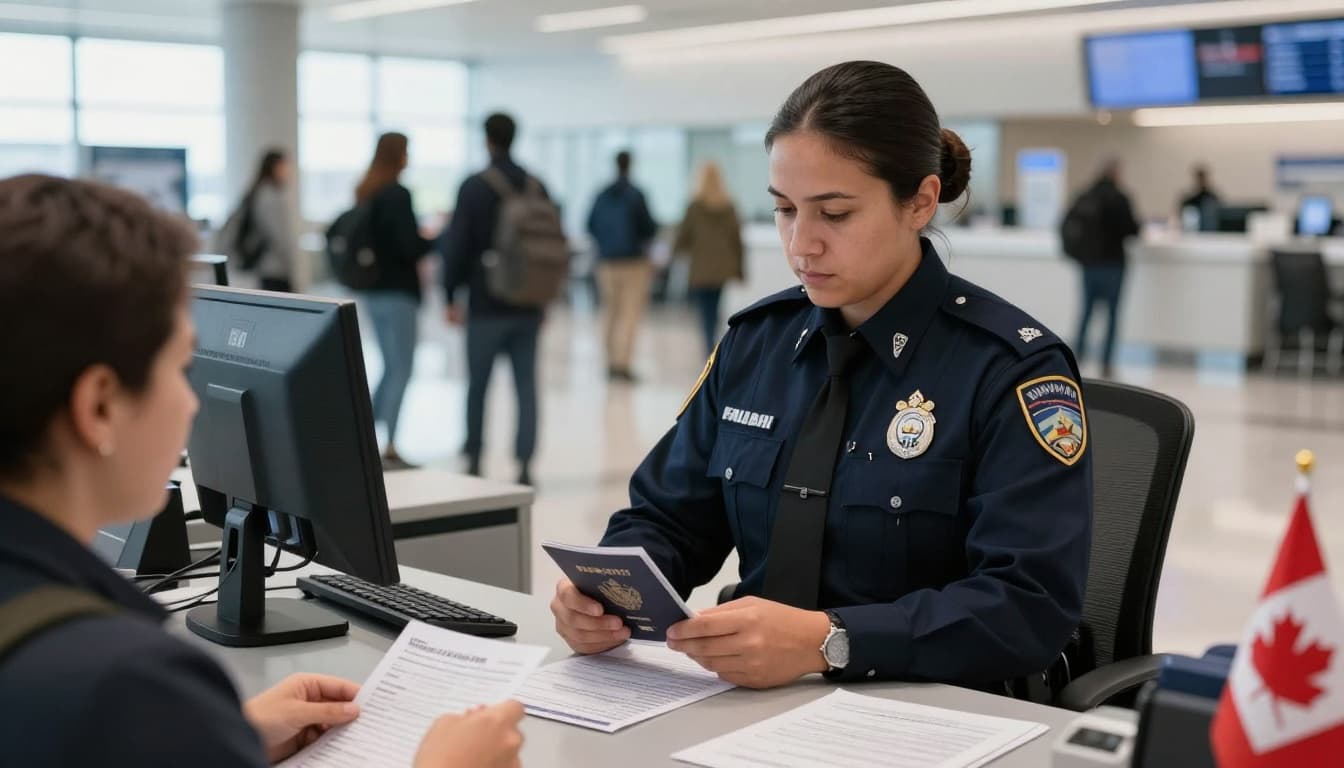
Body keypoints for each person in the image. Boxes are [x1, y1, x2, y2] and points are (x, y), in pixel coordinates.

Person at [550, 61, 1092, 691]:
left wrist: (831, 643)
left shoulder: (1006, 370)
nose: (801, 245)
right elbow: (669, 517)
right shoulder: (757, 345)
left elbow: (1027, 606)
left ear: (919, 201)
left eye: (833, 214)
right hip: (751, 699)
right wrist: (604, 592)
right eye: (784, 210)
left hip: (931, 710)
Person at [0, 174, 526, 767]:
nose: (194, 402)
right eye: (180, 369)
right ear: (99, 406)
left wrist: (210, 743)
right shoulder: (118, 685)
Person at [436, 113, 549, 485]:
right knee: (526, 387)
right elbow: (548, 250)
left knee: (478, 385)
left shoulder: (473, 186)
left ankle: (474, 457)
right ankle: (525, 463)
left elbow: (456, 245)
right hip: (529, 304)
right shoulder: (537, 186)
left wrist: (450, 294)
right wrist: (545, 300)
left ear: (487, 140)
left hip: (485, 303)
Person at [355, 132, 430, 469]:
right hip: (398, 292)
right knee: (402, 367)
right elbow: (410, 246)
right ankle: (391, 444)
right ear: (399, 155)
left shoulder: (367, 192)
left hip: (373, 291)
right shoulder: (398, 195)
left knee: (389, 364)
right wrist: (437, 238)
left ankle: (362, 434)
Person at [587, 150, 658, 382]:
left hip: (606, 262)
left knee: (609, 312)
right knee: (629, 314)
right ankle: (622, 364)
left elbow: (589, 224)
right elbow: (648, 228)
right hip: (633, 263)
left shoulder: (602, 194)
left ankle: (609, 362)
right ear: (631, 165)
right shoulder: (636, 194)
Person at [1071, 160, 1140, 379]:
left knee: (1086, 312)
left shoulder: (1085, 196)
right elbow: (1132, 229)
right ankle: (1106, 362)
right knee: (1112, 315)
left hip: (1089, 264)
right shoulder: (1119, 198)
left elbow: (1067, 225)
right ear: (1116, 174)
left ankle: (1077, 358)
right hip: (1113, 264)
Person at [673, 162, 745, 356]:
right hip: (722, 268)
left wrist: (676, 251)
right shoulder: (729, 206)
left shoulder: (694, 206)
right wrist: (740, 270)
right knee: (715, 307)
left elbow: (683, 237)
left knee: (705, 311)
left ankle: (709, 349)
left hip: (701, 268)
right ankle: (714, 346)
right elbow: (736, 240)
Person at [249, 149, 299, 292]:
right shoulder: (270, 196)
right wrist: (295, 270)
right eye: (285, 166)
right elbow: (281, 237)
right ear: (275, 167)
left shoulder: (261, 192)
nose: (288, 171)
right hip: (276, 269)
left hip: (268, 267)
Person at [1178, 164, 1220, 231]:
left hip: (1211, 231)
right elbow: (1181, 213)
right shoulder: (1190, 199)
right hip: (1193, 231)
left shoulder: (1212, 197)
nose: (1201, 181)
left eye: (1202, 178)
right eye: (1199, 179)